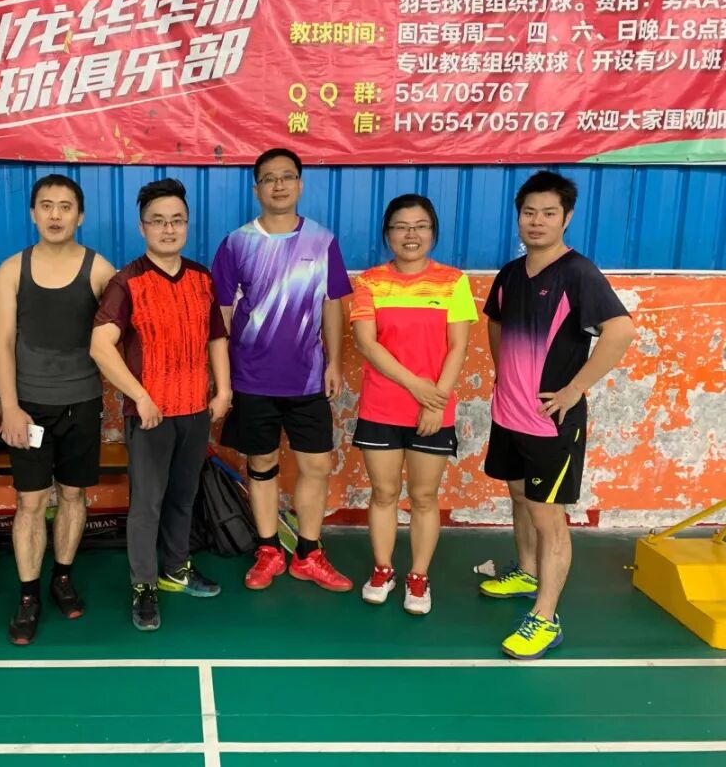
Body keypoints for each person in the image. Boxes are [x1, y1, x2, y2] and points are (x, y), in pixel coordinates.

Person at [481, 170, 636, 659]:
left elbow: (620, 330)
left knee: (549, 516)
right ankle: (527, 573)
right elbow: (495, 323)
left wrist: (574, 389)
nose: (537, 221)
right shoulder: (510, 274)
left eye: (549, 213)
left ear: (566, 218)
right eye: (529, 212)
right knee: (519, 495)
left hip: (551, 422)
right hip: (509, 414)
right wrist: (505, 376)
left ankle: (545, 618)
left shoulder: (577, 273)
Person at [91, 178, 231, 632]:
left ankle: (176, 569)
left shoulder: (202, 278)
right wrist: (140, 396)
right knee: (147, 504)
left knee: (182, 496)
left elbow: (216, 337)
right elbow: (100, 346)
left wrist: (223, 390)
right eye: (158, 221)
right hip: (151, 415)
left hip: (195, 410)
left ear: (187, 224)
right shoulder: (126, 283)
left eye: (176, 220)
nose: (168, 229)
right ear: (142, 227)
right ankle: (144, 586)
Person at [211, 147, 354, 592]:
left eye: (287, 177)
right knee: (262, 463)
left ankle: (309, 553)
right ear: (256, 189)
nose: (278, 185)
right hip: (252, 379)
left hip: (308, 378)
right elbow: (221, 314)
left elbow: (332, 304)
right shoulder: (236, 243)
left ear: (300, 184)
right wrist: (223, 379)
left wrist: (334, 363)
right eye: (269, 178)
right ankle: (269, 549)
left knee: (317, 465)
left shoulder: (322, 240)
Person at [0, 174, 115, 645]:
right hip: (28, 407)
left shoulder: (99, 269)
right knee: (29, 502)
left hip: (82, 403)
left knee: (73, 495)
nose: (55, 214)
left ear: (79, 216)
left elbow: (124, 331)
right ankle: (28, 594)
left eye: (65, 206)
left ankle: (62, 576)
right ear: (33, 213)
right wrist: (9, 405)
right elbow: (3, 341)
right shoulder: (12, 270)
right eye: (46, 205)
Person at [351, 194, 477, 615]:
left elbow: (458, 346)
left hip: (433, 409)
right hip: (381, 407)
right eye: (401, 226)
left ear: (433, 232)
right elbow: (367, 344)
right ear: (387, 234)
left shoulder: (453, 281)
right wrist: (415, 386)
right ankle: (383, 569)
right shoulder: (369, 282)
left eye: (420, 226)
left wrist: (434, 401)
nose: (411, 234)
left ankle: (419, 576)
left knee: (423, 497)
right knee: (384, 493)